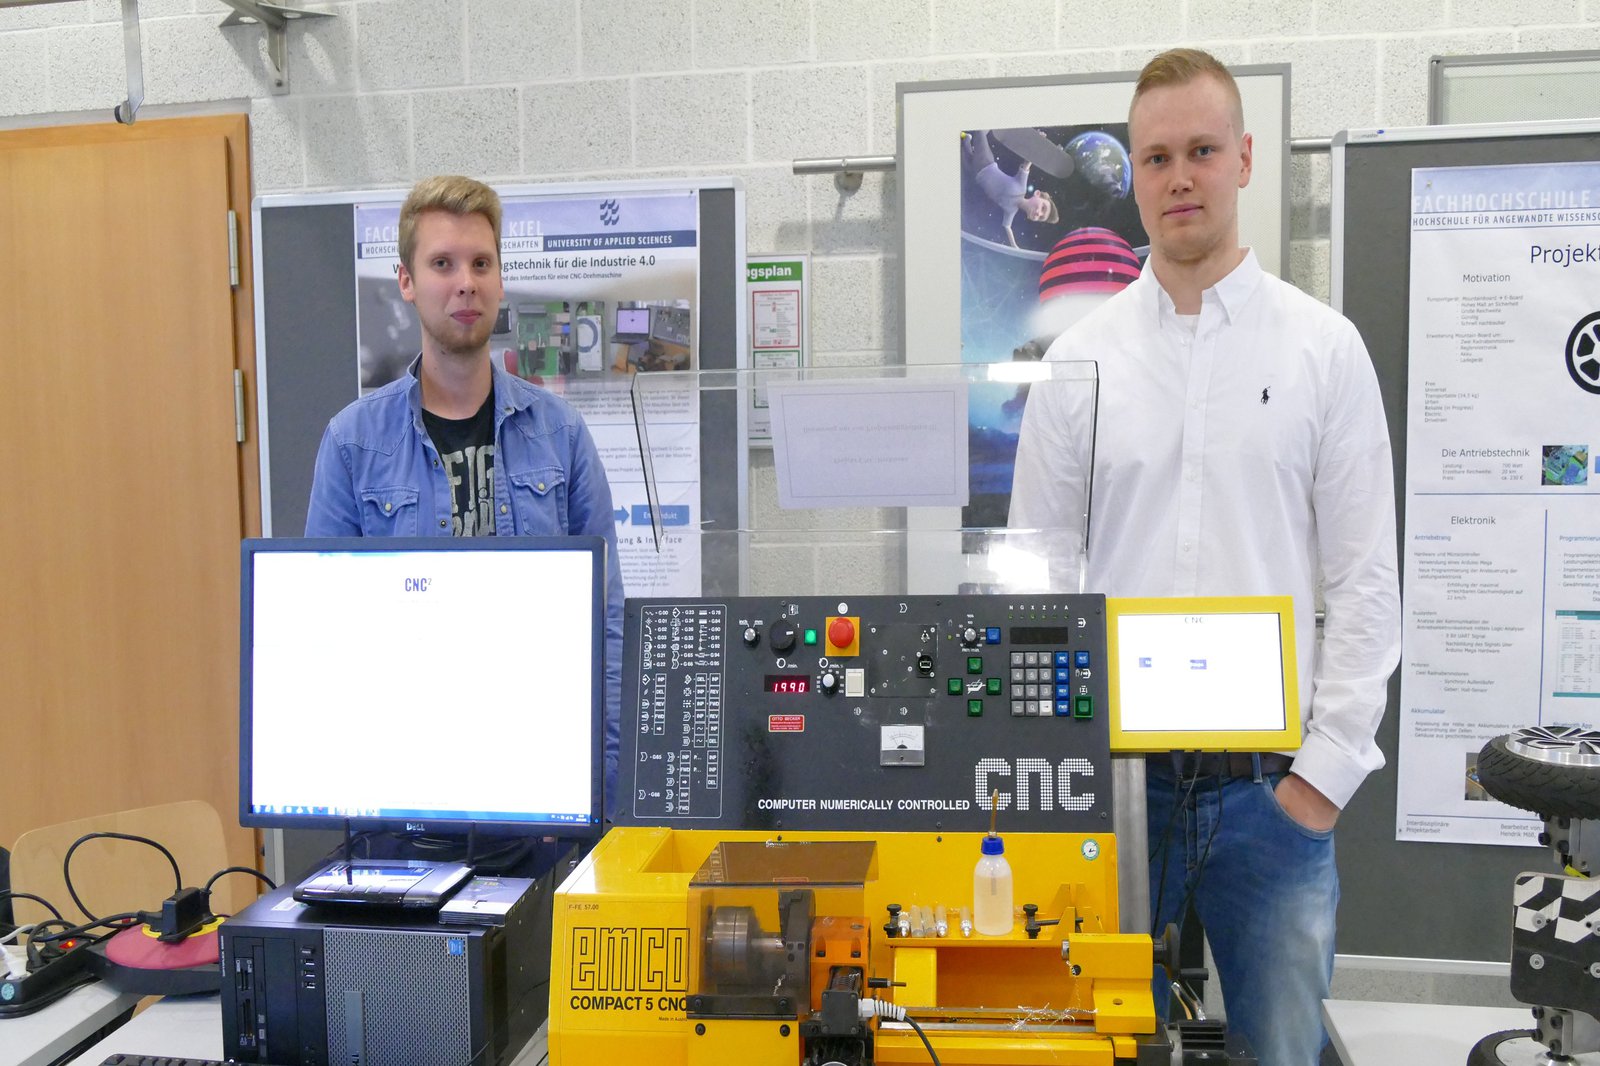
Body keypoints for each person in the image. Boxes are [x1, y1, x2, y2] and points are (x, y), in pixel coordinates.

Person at [1008, 49, 1401, 1066]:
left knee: (1278, 1046)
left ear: (1243, 160)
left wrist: (1321, 777)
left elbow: (1365, 580)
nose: (1178, 177)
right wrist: (1051, 770)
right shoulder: (1076, 362)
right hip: (1110, 790)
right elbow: (1036, 581)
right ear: (1133, 176)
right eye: (1155, 158)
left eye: (1199, 151)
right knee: (1100, 1048)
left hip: (1266, 794)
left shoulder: (1323, 351)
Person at [305, 174, 624, 809]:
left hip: (544, 782)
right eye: (442, 264)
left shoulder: (559, 434)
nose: (465, 283)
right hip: (402, 791)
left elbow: (607, 622)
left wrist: (608, 782)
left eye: (481, 263)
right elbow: (327, 626)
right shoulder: (352, 443)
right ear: (407, 281)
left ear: (501, 278)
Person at [964, 129, 1060, 247]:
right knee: (980, 133)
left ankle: (967, 138)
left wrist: (1015, 247)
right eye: (1043, 208)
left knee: (964, 147)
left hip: (976, 174)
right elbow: (1027, 164)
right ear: (1037, 194)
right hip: (986, 163)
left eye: (1040, 218)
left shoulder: (1011, 211)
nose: (1038, 213)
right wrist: (1038, 144)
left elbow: (1007, 227)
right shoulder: (1021, 186)